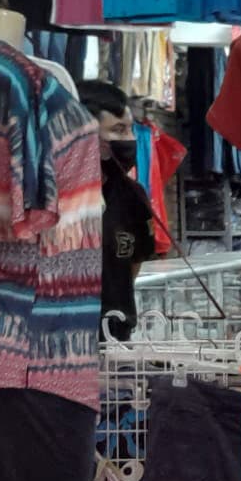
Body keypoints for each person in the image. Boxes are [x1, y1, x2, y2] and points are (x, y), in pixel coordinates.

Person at [78, 79, 159, 344]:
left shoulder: (132, 195)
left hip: (118, 339)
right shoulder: (56, 199)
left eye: (130, 130)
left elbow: (133, 265)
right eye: (118, 130)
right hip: (66, 340)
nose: (130, 140)